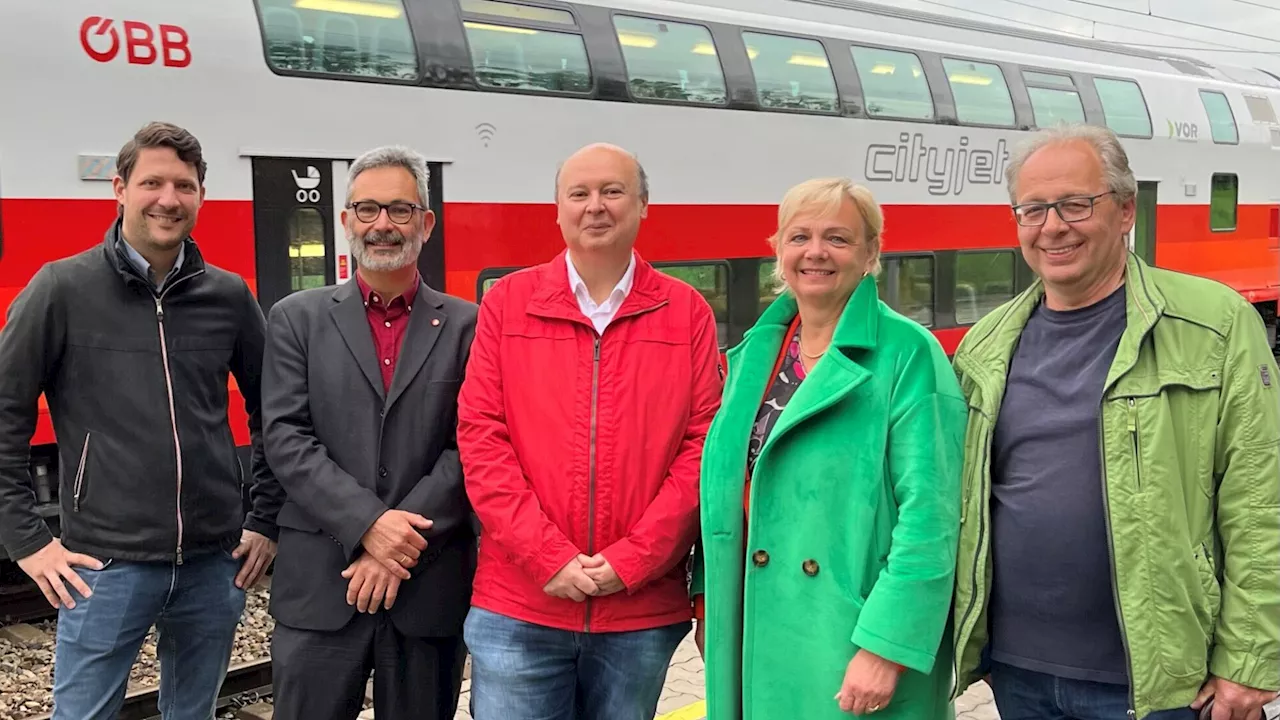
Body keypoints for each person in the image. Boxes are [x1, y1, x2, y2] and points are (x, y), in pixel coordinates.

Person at [951, 123, 1280, 720]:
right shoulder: (986, 345)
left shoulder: (1215, 324)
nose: (1053, 226)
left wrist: (1252, 659)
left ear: (1126, 211)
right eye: (1033, 209)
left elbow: (1261, 499)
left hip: (1165, 682)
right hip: (1019, 673)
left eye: (1076, 204)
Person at [0, 121, 281, 720]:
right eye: (152, 182)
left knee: (194, 713)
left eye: (184, 185)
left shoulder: (228, 297)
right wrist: (27, 542)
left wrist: (265, 518)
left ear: (202, 195)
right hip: (105, 565)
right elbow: (4, 413)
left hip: (214, 563)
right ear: (119, 188)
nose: (168, 199)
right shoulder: (60, 289)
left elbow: (275, 411)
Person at [456, 142, 723, 720]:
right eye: (579, 193)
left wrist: (632, 560)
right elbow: (481, 437)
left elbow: (702, 449)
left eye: (612, 191)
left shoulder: (686, 312)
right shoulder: (508, 304)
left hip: (640, 612)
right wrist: (548, 557)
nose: (595, 206)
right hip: (521, 604)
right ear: (557, 208)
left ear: (644, 204)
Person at [690, 178, 966, 720]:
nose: (815, 252)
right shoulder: (753, 355)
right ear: (778, 251)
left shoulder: (908, 353)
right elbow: (723, 486)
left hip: (850, 635)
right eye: (800, 237)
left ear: (871, 253)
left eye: (837, 238)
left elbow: (931, 516)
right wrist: (709, 600)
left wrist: (886, 646)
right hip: (752, 620)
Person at [261, 146, 477, 720]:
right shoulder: (294, 319)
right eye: (367, 209)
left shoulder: (469, 324)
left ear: (425, 223)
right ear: (345, 221)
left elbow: (474, 444)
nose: (382, 224)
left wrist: (394, 547)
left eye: (400, 210)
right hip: (321, 585)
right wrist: (369, 526)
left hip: (426, 583)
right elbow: (285, 437)